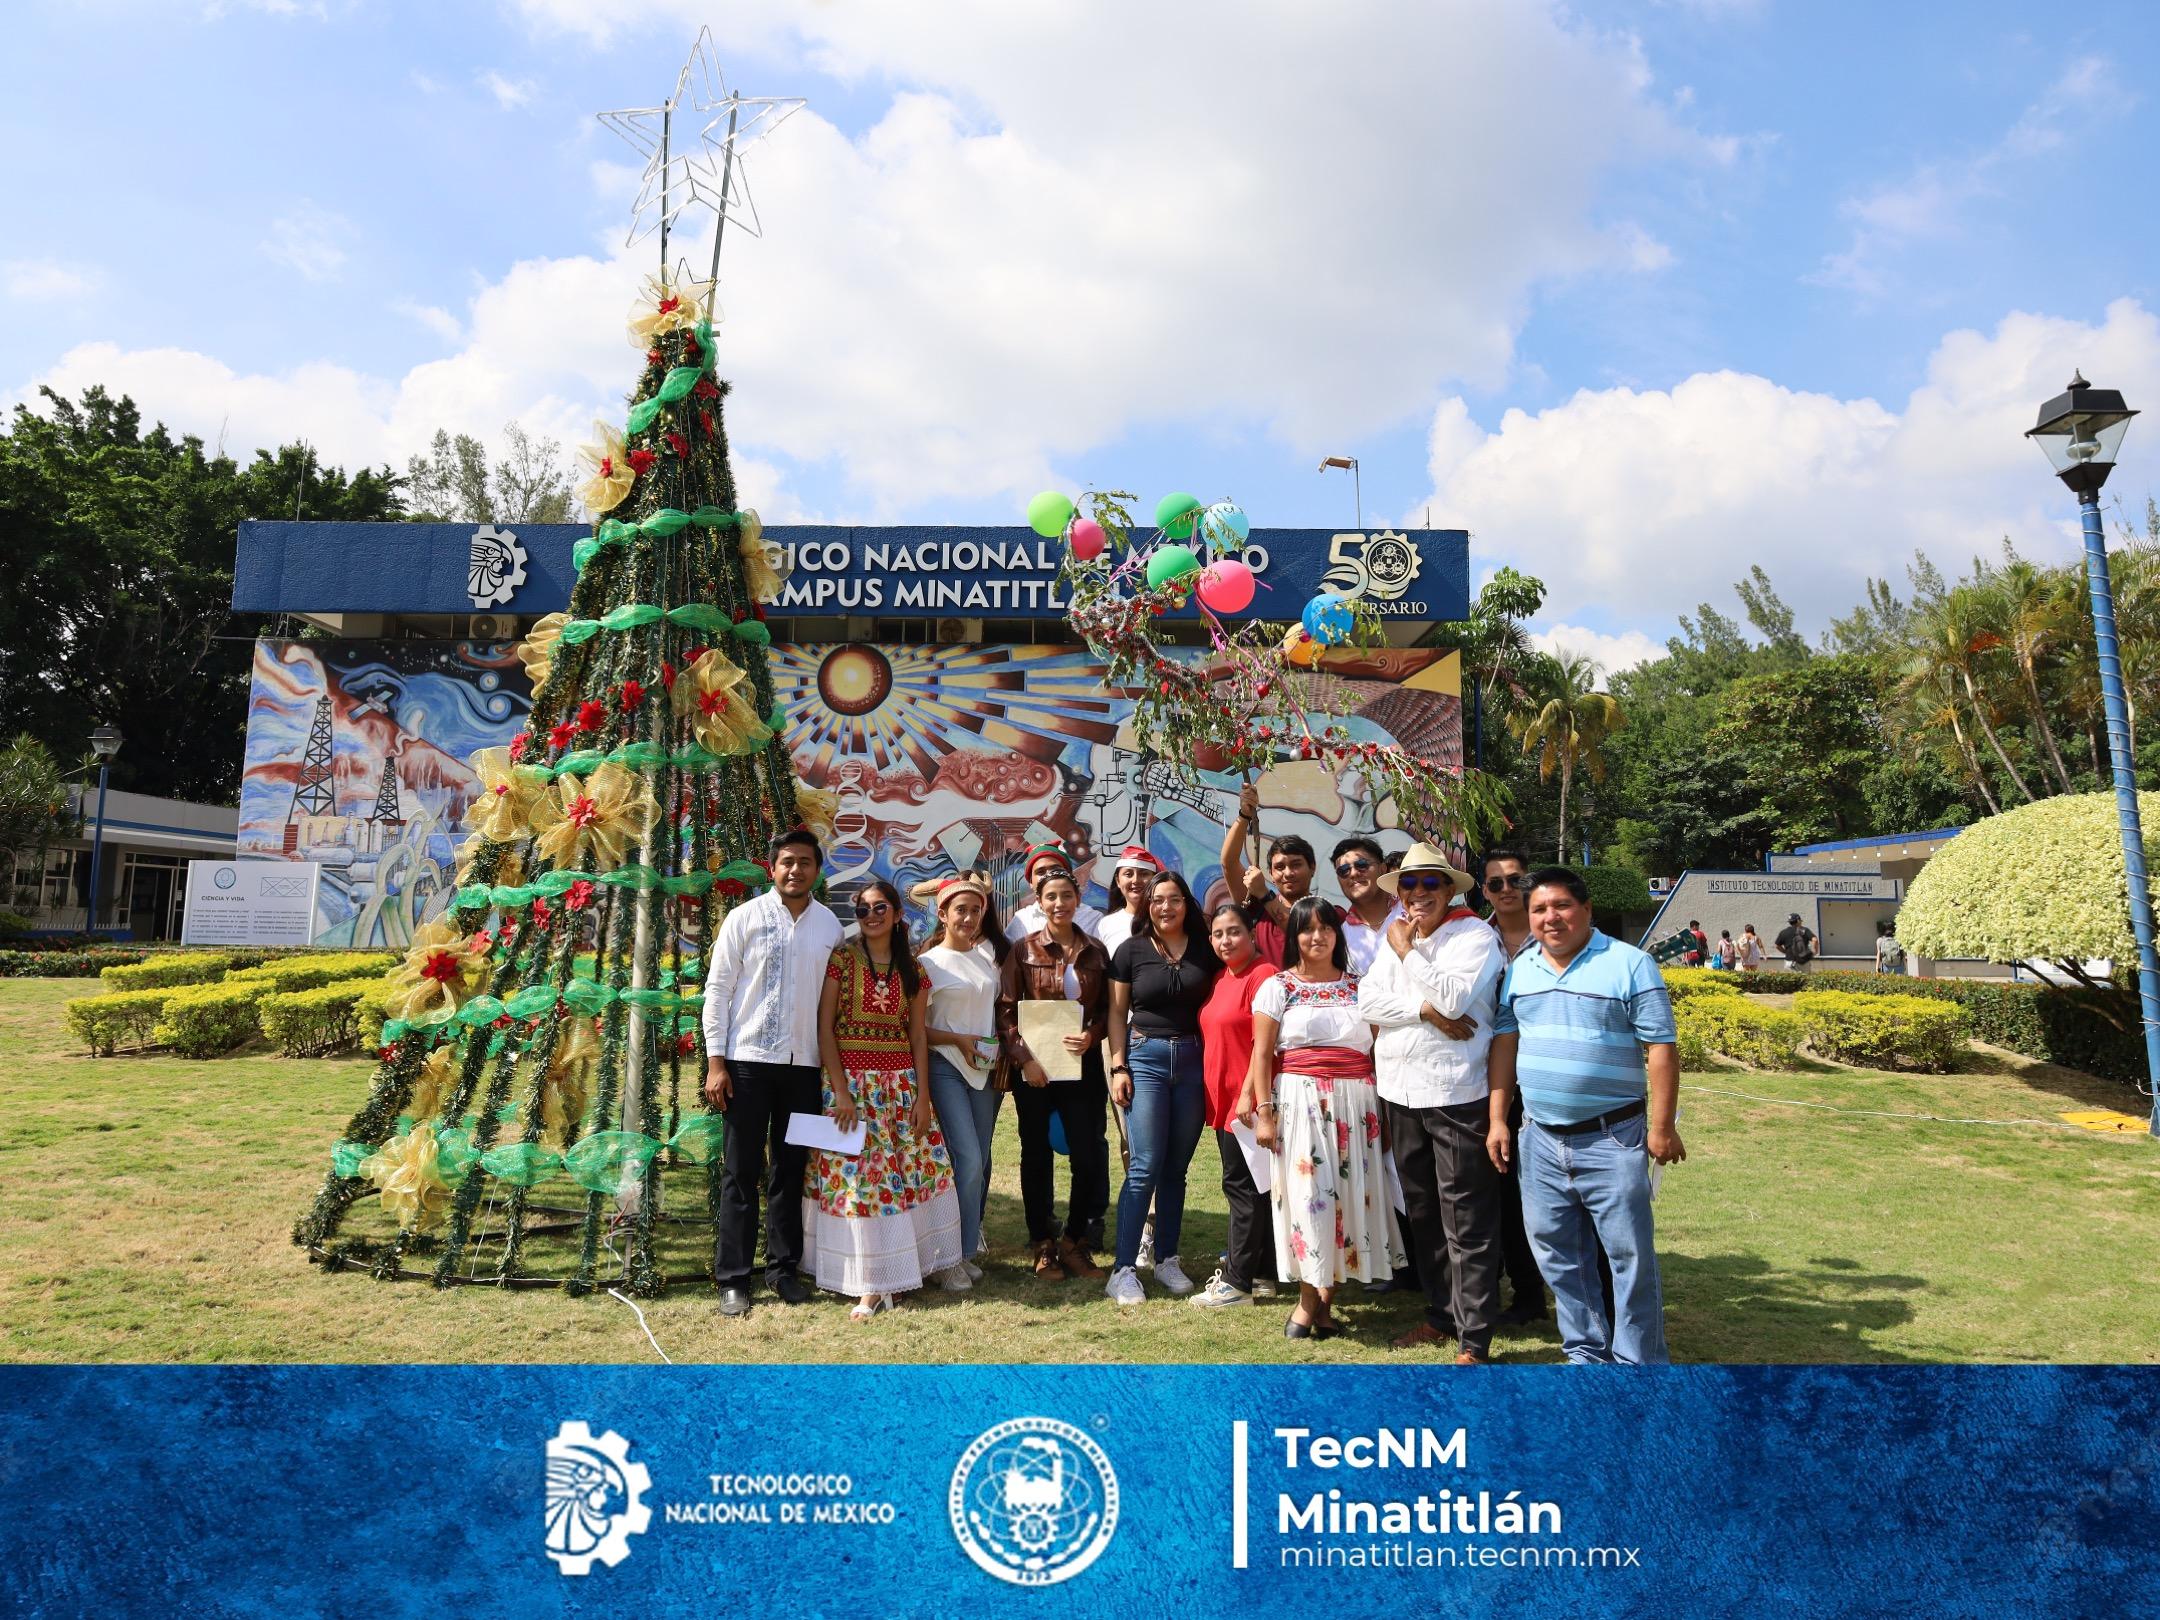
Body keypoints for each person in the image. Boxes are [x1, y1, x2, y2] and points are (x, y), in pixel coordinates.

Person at [1487, 868, 1684, 1365]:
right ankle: (1586, 1356)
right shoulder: (1522, 968)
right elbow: (1506, 1042)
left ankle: (1639, 1364)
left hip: (1613, 1138)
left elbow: (1661, 1047)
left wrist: (1662, 1128)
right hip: (1540, 1138)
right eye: (1538, 910)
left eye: (1561, 906)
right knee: (1558, 1256)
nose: (1550, 918)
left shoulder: (1630, 964)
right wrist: (1497, 1119)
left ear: (1586, 909)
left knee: (1628, 1259)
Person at [1359, 845, 1507, 1363]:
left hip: (1455, 1094)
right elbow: (1367, 1003)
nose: (1418, 893)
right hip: (1400, 1092)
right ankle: (1441, 1315)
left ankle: (1475, 1336)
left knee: (1465, 1216)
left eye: (1429, 884)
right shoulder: (1397, 934)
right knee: (1423, 1212)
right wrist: (1423, 1010)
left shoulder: (1472, 936)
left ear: (1449, 890)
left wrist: (1407, 954)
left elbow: (1454, 1000)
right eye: (1409, 884)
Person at [804, 878, 965, 1318]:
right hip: (850, 1087)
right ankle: (869, 1281)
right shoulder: (842, 960)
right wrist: (841, 1092)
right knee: (858, 1182)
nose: (871, 916)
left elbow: (916, 1036)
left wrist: (923, 1097)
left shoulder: (915, 970)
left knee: (904, 1178)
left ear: (897, 915)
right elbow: (826, 1029)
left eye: (880, 908)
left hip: (900, 1088)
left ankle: (894, 1274)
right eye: (862, 910)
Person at [702, 828, 846, 1318]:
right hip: (745, 1066)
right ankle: (733, 1279)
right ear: (773, 868)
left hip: (803, 1069)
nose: (795, 870)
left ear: (816, 870)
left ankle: (784, 1270)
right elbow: (718, 991)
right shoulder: (745, 919)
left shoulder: (830, 927)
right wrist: (716, 1063)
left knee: (791, 1171)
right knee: (741, 1173)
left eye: (805, 862)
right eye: (787, 862)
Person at [1249, 896, 1395, 1339]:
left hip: (1357, 1103)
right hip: (1299, 1100)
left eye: (1326, 928)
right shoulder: (1278, 987)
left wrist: (1384, 1115)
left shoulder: (1360, 987)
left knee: (1346, 1199)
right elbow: (1261, 1054)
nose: (1317, 937)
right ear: (1294, 937)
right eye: (1307, 929)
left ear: (1338, 933)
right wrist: (1265, 1113)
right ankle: (1310, 1301)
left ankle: (1320, 1304)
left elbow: (1378, 1052)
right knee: (1310, 1197)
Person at [1104, 870, 1221, 1302]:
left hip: (1193, 1060)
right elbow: (1116, 1014)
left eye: (1173, 899)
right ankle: (1123, 1269)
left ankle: (1168, 1258)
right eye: (1157, 900)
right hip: (1145, 1057)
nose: (1165, 907)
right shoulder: (1129, 951)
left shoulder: (1206, 952)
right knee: (1144, 1165)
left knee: (1176, 1167)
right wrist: (1119, 1067)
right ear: (1146, 906)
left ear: (1186, 904)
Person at [995, 866, 1112, 1282]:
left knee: (1086, 1153)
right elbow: (1007, 1009)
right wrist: (1024, 1058)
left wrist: (1093, 1034)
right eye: (1051, 897)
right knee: (1036, 1153)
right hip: (1036, 1069)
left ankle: (1075, 1242)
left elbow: (1105, 1011)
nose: (1059, 904)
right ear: (1038, 903)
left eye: (1066, 895)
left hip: (1081, 1066)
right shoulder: (1022, 950)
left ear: (1077, 900)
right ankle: (1043, 1242)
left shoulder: (1096, 952)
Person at [913, 872, 1007, 1288]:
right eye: (960, 910)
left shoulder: (985, 959)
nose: (968, 917)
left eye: (975, 909)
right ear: (943, 913)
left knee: (980, 1163)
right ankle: (944, 1257)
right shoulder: (927, 964)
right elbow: (915, 1029)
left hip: (981, 1072)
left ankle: (964, 1251)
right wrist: (958, 1040)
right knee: (964, 1160)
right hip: (945, 1065)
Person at [1189, 902, 1277, 1308]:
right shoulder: (1222, 977)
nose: (1226, 940)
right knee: (1257, 1189)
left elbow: (1265, 1044)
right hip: (1223, 1101)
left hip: (1247, 1106)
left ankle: (1236, 1283)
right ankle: (1263, 1274)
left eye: (1234, 932)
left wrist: (1249, 1096)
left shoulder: (1264, 977)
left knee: (1241, 1189)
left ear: (1252, 933)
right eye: (1218, 934)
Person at [1476, 846, 1548, 1325]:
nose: (1506, 890)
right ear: (1484, 890)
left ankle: (1555, 1289)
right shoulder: (1473, 938)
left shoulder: (1556, 938)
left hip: (1543, 1080)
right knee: (1498, 1193)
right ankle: (1522, 1293)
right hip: (1484, 1082)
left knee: (1543, 1194)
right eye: (1496, 883)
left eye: (1515, 880)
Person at [1219, 781, 1317, 965]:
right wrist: (1244, 816)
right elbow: (1229, 863)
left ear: (1312, 867)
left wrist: (1264, 893)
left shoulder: (1326, 912)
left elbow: (1303, 933)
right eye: (1279, 867)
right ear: (1270, 874)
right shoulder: (1257, 908)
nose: (1288, 873)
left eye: (1296, 864)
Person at [1005, 841, 1106, 942]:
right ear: (1031, 882)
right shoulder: (1021, 921)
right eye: (1041, 872)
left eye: (1056, 869)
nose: (1049, 875)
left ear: (1069, 876)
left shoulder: (1092, 919)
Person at [1332, 835, 1404, 975]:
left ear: (1383, 869)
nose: (1353, 874)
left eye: (1362, 865)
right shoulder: (1340, 940)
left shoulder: (1412, 910)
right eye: (1343, 870)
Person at [1096, 845, 1165, 958]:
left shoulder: (1165, 920)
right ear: (1118, 881)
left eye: (1144, 874)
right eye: (1128, 874)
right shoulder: (1106, 924)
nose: (1136, 880)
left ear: (1154, 879)